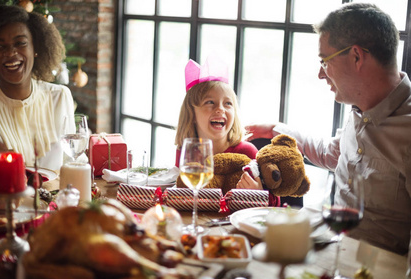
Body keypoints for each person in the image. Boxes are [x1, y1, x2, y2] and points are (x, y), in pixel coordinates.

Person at [244, 3, 411, 255]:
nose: (320, 74)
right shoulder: (360, 109)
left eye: (324, 61)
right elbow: (333, 154)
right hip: (332, 251)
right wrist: (277, 129)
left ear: (356, 56)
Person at [0, 4, 75, 171]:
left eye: (20, 43)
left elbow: (72, 163)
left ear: (36, 48)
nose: (10, 53)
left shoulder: (60, 96)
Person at [175, 56, 258, 167]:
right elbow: (179, 183)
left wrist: (257, 185)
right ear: (192, 113)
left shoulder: (246, 152)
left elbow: (261, 183)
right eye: (210, 102)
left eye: (228, 103)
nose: (220, 109)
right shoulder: (186, 151)